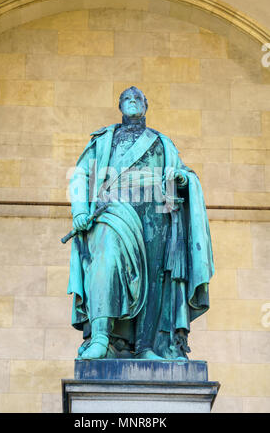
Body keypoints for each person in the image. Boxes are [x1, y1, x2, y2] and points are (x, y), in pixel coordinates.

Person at [67, 86, 214, 360]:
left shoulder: (161, 142)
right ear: (120, 105)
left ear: (146, 105)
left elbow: (182, 171)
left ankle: (147, 346)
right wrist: (78, 211)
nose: (132, 102)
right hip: (112, 209)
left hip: (155, 212)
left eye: (137, 99)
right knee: (105, 263)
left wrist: (182, 179)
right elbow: (80, 175)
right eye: (127, 99)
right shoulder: (104, 140)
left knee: (155, 275)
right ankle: (101, 337)